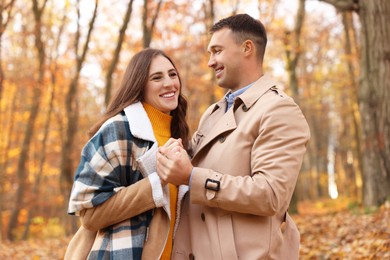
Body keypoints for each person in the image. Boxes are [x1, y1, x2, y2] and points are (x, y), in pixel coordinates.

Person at [157, 14, 310, 259]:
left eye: (217, 51)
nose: (210, 62)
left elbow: (271, 194)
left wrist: (192, 177)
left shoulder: (279, 110)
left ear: (247, 48)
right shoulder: (214, 112)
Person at [64, 48, 190, 260]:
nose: (169, 83)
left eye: (172, 74)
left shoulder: (180, 136)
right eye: (156, 78)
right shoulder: (118, 130)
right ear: (139, 85)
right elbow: (89, 215)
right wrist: (157, 181)